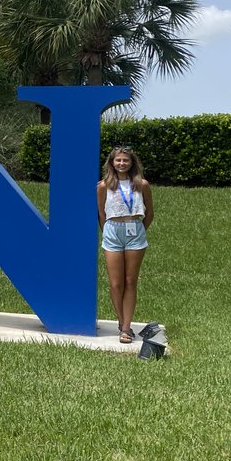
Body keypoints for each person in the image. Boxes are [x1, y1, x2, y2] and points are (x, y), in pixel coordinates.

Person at [96, 146, 154, 344]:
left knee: (130, 281)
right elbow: (102, 215)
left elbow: (150, 213)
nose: (122, 163)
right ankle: (121, 322)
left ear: (132, 163)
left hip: (135, 232)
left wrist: (138, 229)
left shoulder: (142, 184)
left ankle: (127, 327)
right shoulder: (104, 186)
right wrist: (109, 231)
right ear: (112, 163)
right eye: (118, 160)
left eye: (125, 160)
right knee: (115, 283)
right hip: (113, 232)